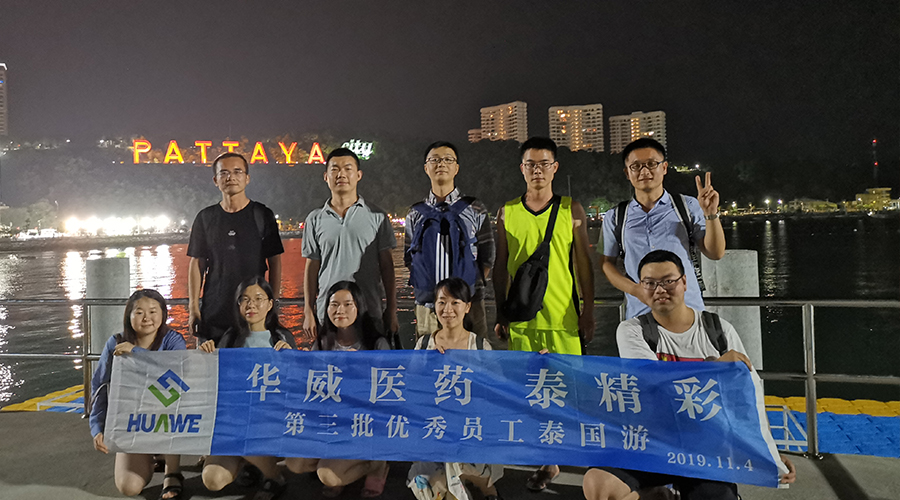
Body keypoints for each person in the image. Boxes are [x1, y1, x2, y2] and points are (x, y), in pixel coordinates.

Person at [582, 250, 796, 500]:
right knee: (598, 486)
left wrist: (768, 450)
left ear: (684, 282)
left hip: (706, 449)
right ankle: (656, 495)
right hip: (651, 442)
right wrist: (715, 368)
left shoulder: (719, 330)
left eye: (668, 281)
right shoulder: (632, 330)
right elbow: (654, 382)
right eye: (650, 283)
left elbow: (748, 396)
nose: (659, 289)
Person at [492, 137, 594, 491]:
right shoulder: (507, 212)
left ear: (555, 168)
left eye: (544, 163)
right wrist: (501, 312)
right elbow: (500, 266)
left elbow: (583, 265)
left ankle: (569, 454)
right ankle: (547, 461)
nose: (537, 170)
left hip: (563, 317)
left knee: (569, 391)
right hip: (522, 320)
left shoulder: (570, 209)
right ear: (522, 169)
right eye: (531, 164)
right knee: (529, 392)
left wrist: (588, 310)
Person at [285, 281, 391, 497]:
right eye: (334, 305)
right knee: (295, 463)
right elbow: (309, 386)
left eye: (347, 304)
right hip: (330, 422)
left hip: (363, 425)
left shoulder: (376, 344)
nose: (340, 310)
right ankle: (340, 463)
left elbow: (388, 394)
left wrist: (360, 369)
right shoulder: (322, 344)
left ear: (359, 307)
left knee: (328, 475)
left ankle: (376, 465)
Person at [600, 138, 725, 319]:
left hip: (688, 311)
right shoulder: (615, 216)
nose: (644, 171)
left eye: (652, 164)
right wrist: (636, 290)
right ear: (627, 173)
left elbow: (716, 253)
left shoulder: (688, 206)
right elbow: (606, 264)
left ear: (664, 167)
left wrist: (711, 214)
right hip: (641, 314)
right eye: (636, 166)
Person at [197, 277, 295, 500]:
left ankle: (273, 476)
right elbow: (215, 381)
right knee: (212, 479)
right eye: (245, 300)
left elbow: (296, 385)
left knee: (244, 429)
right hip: (235, 424)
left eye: (259, 299)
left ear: (270, 304)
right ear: (238, 305)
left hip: (269, 422)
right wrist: (205, 358)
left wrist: (292, 359)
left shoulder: (281, 339)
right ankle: (251, 463)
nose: (251, 305)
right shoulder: (230, 338)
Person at [408, 277, 503, 500]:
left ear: (467, 307)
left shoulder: (479, 347)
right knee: (428, 486)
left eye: (455, 303)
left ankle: (485, 486)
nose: (447, 309)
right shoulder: (424, 345)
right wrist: (428, 364)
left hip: (470, 433)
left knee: (457, 472)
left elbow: (500, 389)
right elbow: (410, 389)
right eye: (441, 302)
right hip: (435, 431)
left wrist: (536, 364)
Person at [90, 289, 187, 500]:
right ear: (129, 316)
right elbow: (100, 386)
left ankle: (172, 472)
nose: (146, 318)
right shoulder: (115, 343)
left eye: (153, 311)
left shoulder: (173, 341)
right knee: (129, 486)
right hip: (133, 421)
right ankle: (151, 457)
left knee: (174, 408)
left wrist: (136, 352)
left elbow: (178, 375)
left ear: (163, 314)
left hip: (165, 417)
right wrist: (97, 427)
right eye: (139, 312)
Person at [302, 148, 398, 343]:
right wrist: (308, 310)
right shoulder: (314, 219)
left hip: (369, 310)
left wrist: (392, 309)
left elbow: (387, 267)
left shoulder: (377, 216)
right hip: (329, 312)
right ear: (326, 177)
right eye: (335, 169)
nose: (341, 174)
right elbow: (312, 267)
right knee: (328, 361)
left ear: (358, 175)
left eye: (348, 168)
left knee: (372, 360)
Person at [188, 151, 284, 345]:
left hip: (253, 312)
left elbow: (275, 261)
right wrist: (193, 308)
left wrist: (272, 305)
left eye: (237, 171)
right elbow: (197, 264)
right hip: (214, 311)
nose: (230, 177)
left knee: (253, 362)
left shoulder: (262, 215)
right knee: (213, 363)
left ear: (247, 178)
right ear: (215, 180)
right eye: (223, 173)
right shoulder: (206, 218)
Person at [405, 141, 495, 339]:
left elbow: (487, 256)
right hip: (427, 306)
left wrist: (468, 291)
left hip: (469, 304)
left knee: (473, 354)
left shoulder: (475, 208)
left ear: (456, 168)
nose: (441, 164)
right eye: (435, 160)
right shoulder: (414, 214)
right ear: (426, 168)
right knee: (429, 355)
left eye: (448, 159)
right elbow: (410, 258)